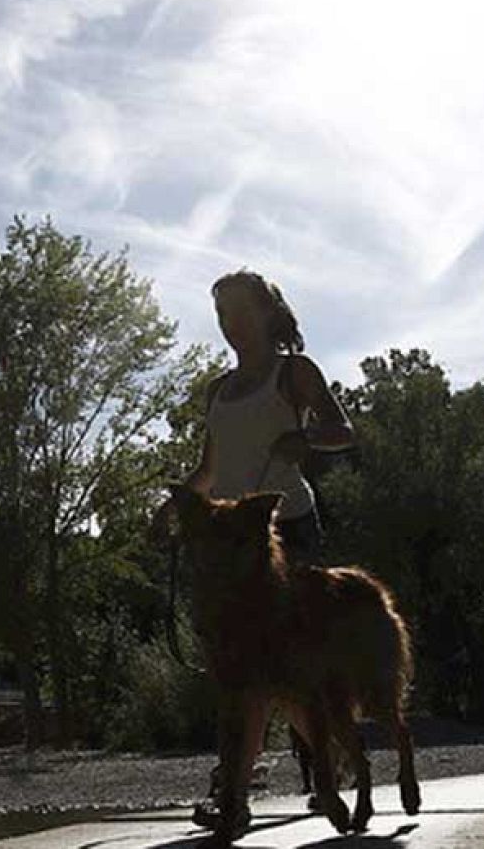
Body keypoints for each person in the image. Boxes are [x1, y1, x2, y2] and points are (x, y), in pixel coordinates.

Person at [164, 268, 355, 830]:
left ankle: (307, 776)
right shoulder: (217, 390)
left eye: (240, 311)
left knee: (285, 667)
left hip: (287, 529)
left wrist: (306, 438)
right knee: (239, 671)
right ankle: (243, 794)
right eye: (222, 314)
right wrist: (172, 511)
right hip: (226, 548)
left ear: (268, 313)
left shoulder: (294, 372)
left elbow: (342, 431)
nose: (231, 323)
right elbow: (209, 469)